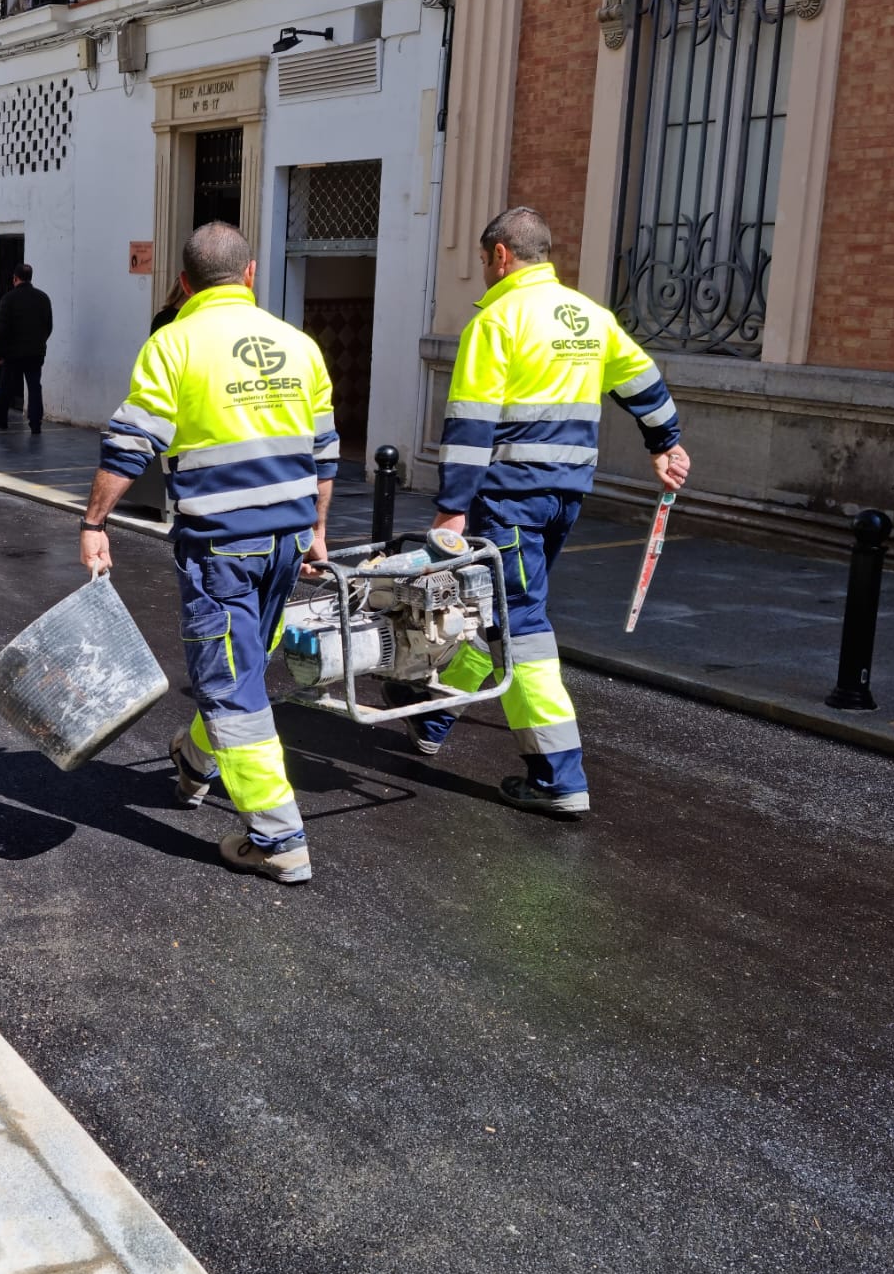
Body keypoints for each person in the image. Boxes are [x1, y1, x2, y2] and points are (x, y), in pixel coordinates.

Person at [398, 206, 691, 817]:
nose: (484, 272)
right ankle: (434, 718)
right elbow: (643, 380)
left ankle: (559, 777)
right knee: (494, 608)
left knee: (521, 625)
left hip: (508, 497)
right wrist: (666, 443)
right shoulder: (590, 316)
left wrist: (451, 509)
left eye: (483, 261)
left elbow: (472, 424)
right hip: (565, 495)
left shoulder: (498, 319)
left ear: (501, 256)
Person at [81, 222, 338, 886]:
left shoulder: (175, 345)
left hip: (222, 548)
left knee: (229, 686)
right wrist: (316, 532)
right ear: (250, 275)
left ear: (187, 282)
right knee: (244, 668)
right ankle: (195, 764)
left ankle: (278, 838)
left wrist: (94, 521)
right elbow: (325, 454)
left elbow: (130, 444)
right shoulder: (299, 346)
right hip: (285, 543)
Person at [0, 263, 53, 433]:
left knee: (6, 386)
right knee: (34, 388)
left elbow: (1, 329)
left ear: (15, 278)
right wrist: (39, 342)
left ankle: (1, 419)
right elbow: (48, 326)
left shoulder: (8, 299)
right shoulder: (43, 298)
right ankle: (35, 423)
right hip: (35, 353)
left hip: (13, 354)